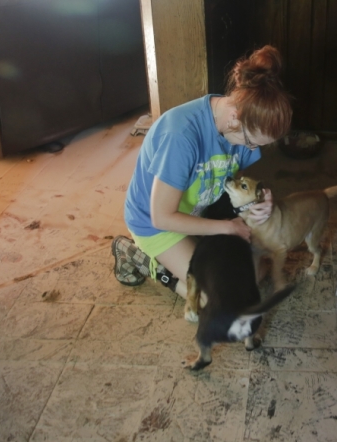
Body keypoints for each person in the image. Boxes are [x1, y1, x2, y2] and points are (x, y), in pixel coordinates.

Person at [112, 45, 293, 300]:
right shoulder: (181, 136)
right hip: (155, 223)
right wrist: (227, 227)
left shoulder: (236, 124)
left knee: (253, 276)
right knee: (217, 296)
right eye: (252, 142)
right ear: (235, 117)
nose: (253, 150)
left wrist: (260, 199)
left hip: (198, 208)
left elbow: (231, 178)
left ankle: (196, 248)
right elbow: (161, 218)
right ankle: (138, 257)